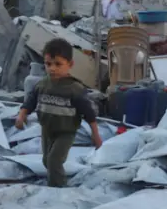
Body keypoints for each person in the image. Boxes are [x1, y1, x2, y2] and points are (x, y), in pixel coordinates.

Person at [16, 38, 103, 187]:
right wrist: (22, 115)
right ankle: (57, 181)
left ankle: (58, 190)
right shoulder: (42, 84)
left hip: (66, 132)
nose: (52, 68)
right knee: (46, 161)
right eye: (48, 64)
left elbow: (89, 113)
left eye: (58, 64)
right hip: (47, 130)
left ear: (70, 65)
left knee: (54, 161)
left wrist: (95, 135)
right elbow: (30, 101)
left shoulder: (74, 89)